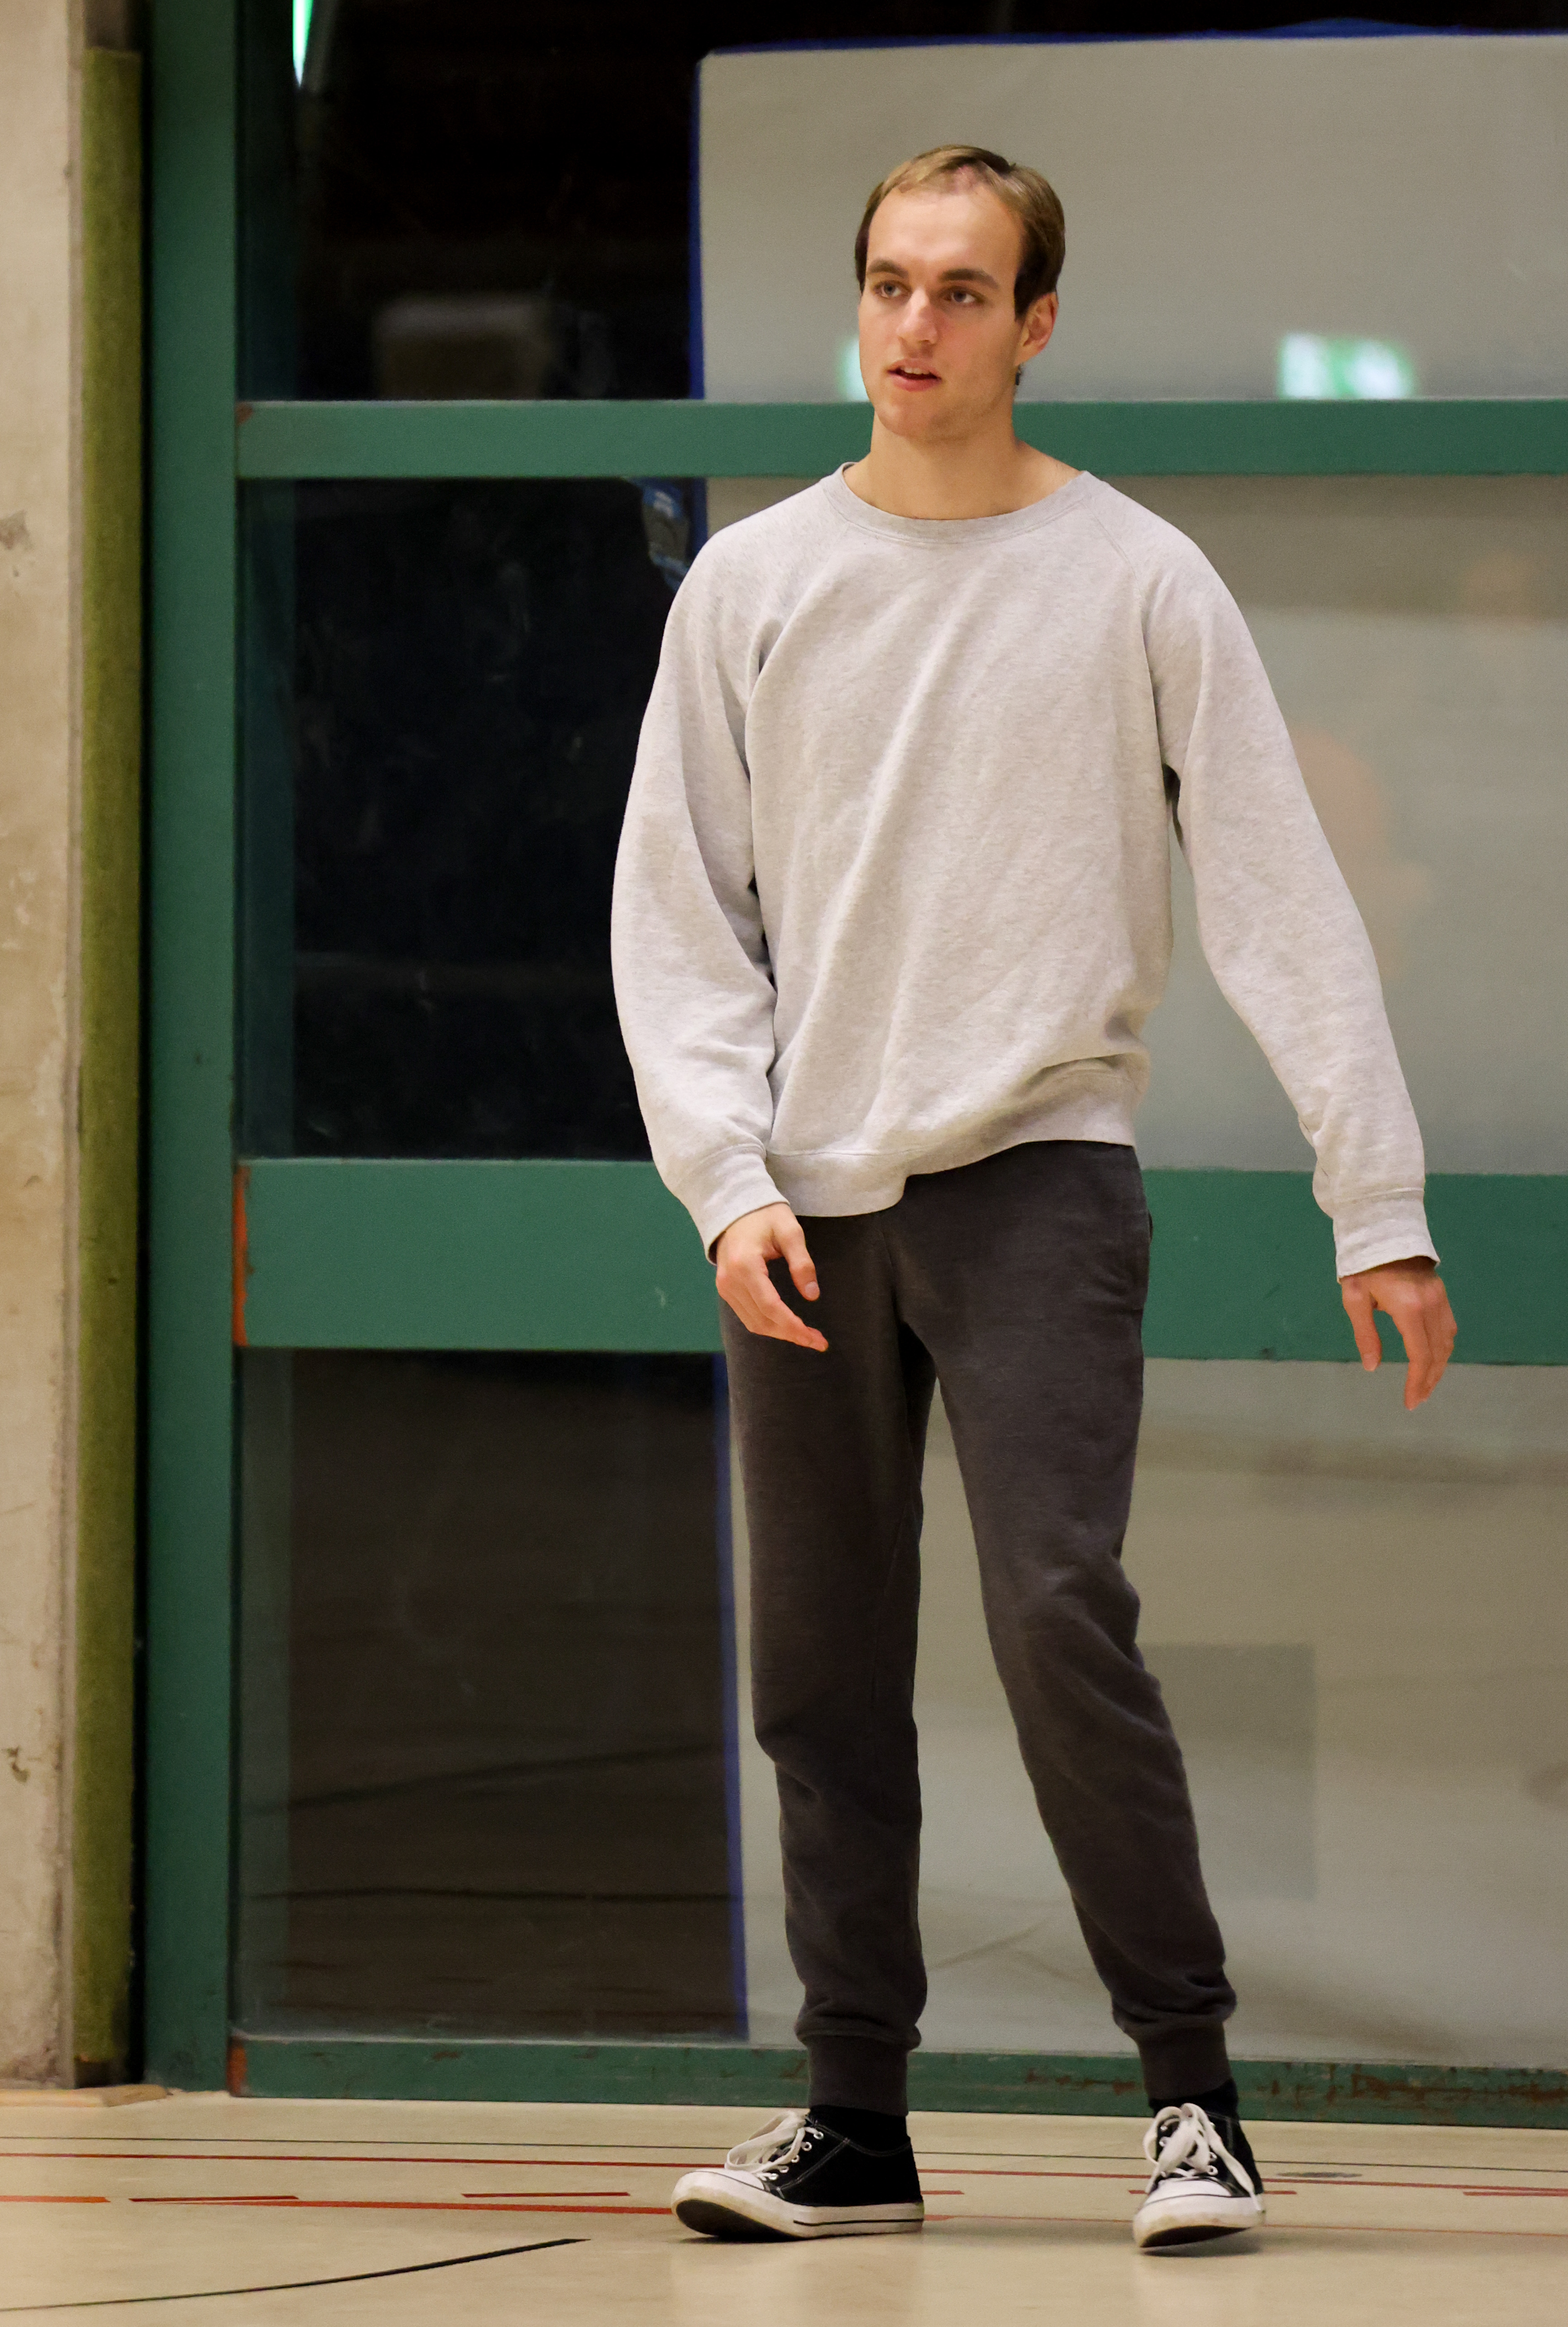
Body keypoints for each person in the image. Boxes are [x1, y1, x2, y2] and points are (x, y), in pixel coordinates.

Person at [610, 143, 1456, 2252]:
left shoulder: (1136, 579)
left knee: (1055, 1614)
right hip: (802, 1204)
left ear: (1035, 322)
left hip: (1037, 1182)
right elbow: (676, 917)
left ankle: (1191, 2101)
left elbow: (1273, 889)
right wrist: (721, 1176)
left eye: (962, 291)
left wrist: (1373, 1195)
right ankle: (853, 2124)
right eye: (889, 283)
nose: (915, 324)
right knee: (817, 1673)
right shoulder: (752, 586)